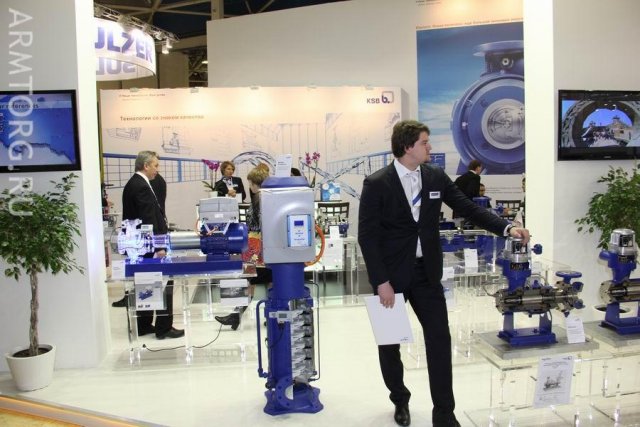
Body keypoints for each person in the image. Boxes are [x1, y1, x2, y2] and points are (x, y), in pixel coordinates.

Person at [358, 120, 529, 427]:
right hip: (391, 278)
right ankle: (399, 398)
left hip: (427, 274)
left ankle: (444, 414)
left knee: (439, 339)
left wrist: (507, 228)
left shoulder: (435, 176)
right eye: (425, 142)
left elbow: (469, 208)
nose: (430, 147)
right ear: (407, 147)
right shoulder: (377, 183)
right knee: (390, 343)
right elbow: (367, 237)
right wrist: (381, 282)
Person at [121, 151, 184, 340]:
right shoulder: (140, 186)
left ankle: (144, 325)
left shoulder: (134, 183)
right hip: (148, 246)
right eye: (155, 165)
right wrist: (159, 246)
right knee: (164, 283)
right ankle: (164, 328)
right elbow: (148, 219)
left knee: (145, 282)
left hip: (140, 245)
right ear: (146, 165)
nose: (158, 169)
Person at [215, 165, 272, 330]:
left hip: (256, 247)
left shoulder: (260, 198)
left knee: (250, 279)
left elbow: (260, 223)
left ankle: (237, 316)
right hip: (261, 247)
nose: (250, 186)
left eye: (250, 183)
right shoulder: (266, 198)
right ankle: (269, 316)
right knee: (266, 280)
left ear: (255, 183)